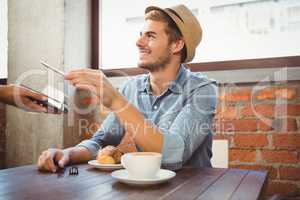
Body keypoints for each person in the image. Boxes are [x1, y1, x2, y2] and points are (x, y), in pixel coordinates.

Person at [37, 4, 217, 173]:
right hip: (147, 188)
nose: (138, 42)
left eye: (150, 36)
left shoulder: (202, 89)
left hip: (193, 190)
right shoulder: (132, 88)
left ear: (177, 44)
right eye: (141, 34)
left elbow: (174, 156)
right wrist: (68, 154)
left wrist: (116, 101)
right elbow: (101, 141)